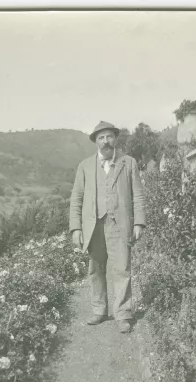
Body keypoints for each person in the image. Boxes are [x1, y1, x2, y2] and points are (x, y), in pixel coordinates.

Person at [69, 121, 146, 333]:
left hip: (120, 224)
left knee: (122, 268)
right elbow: (76, 198)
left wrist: (139, 222)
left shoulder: (128, 163)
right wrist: (76, 228)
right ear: (95, 141)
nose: (106, 141)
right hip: (93, 226)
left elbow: (137, 195)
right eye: (101, 137)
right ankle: (99, 310)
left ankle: (123, 314)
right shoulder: (85, 166)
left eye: (109, 136)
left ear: (115, 138)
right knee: (96, 269)